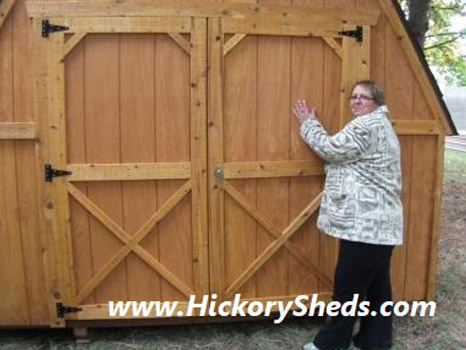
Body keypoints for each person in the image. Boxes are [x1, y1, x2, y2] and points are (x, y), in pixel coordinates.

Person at [292, 80, 403, 350]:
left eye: (363, 97)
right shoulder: (380, 124)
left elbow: (332, 149)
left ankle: (330, 344)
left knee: (347, 288)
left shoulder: (367, 125)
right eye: (353, 97)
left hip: (365, 225)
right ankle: (375, 340)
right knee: (377, 287)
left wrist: (308, 123)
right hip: (380, 225)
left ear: (377, 102)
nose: (356, 101)